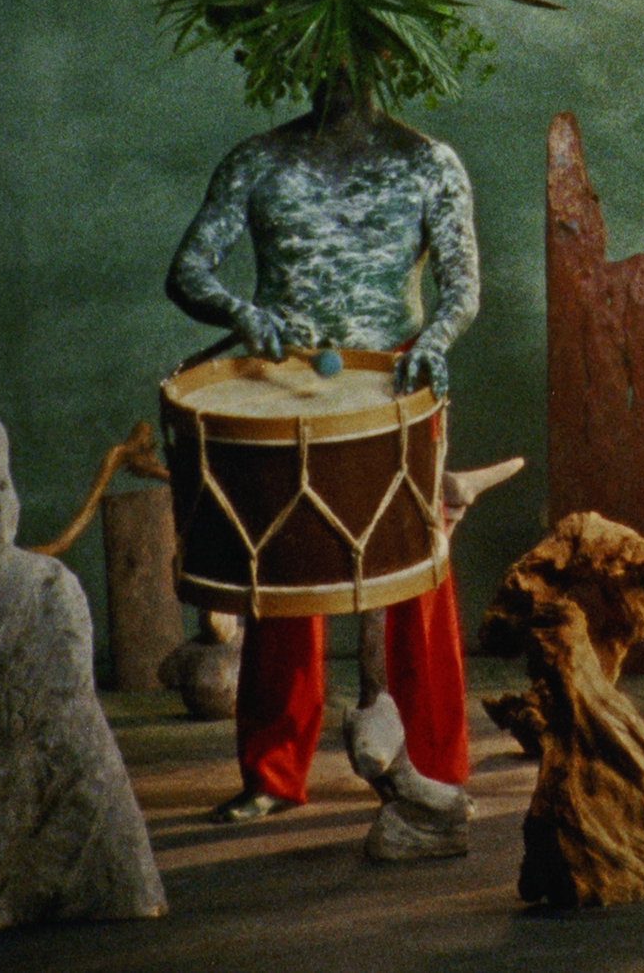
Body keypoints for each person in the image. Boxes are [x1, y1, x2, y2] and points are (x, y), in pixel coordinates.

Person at [168, 71, 480, 822]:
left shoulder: (429, 162)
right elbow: (187, 272)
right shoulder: (258, 159)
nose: (339, 66)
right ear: (297, 54)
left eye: (357, 50)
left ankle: (434, 762)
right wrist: (243, 314)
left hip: (394, 380)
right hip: (285, 384)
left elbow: (462, 289)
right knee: (280, 574)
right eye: (322, 51)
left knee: (414, 573)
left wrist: (434, 341)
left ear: (390, 49)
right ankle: (273, 772)